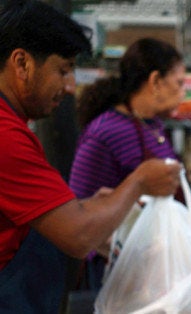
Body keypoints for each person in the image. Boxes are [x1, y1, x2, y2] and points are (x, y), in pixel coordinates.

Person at [0, 1, 181, 312]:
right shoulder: (6, 136)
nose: (70, 86)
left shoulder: (15, 126)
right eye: (64, 69)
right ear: (22, 64)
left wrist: (94, 206)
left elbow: (50, 212)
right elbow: (78, 235)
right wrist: (137, 183)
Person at [68, 37, 186, 289]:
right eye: (179, 83)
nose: (183, 92)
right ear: (155, 81)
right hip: (117, 270)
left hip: (155, 262)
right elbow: (78, 208)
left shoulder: (153, 124)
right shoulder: (105, 132)